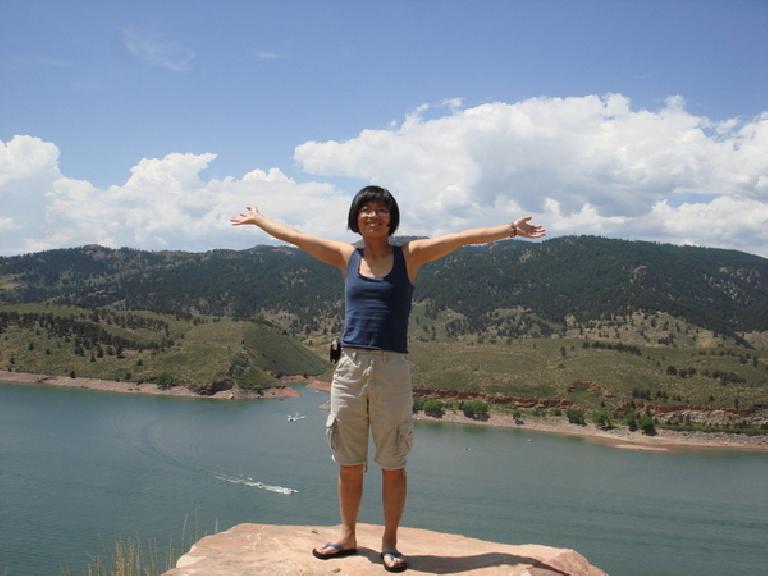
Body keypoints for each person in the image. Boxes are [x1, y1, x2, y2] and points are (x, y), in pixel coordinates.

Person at [230, 185, 545, 572]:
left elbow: (461, 239)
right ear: (356, 218)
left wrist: (510, 229)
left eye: (381, 210)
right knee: (348, 460)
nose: (373, 215)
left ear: (392, 218)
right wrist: (261, 220)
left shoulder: (409, 256)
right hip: (348, 368)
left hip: (393, 369)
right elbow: (296, 237)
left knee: (393, 461)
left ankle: (390, 542)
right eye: (366, 209)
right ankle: (347, 535)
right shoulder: (346, 256)